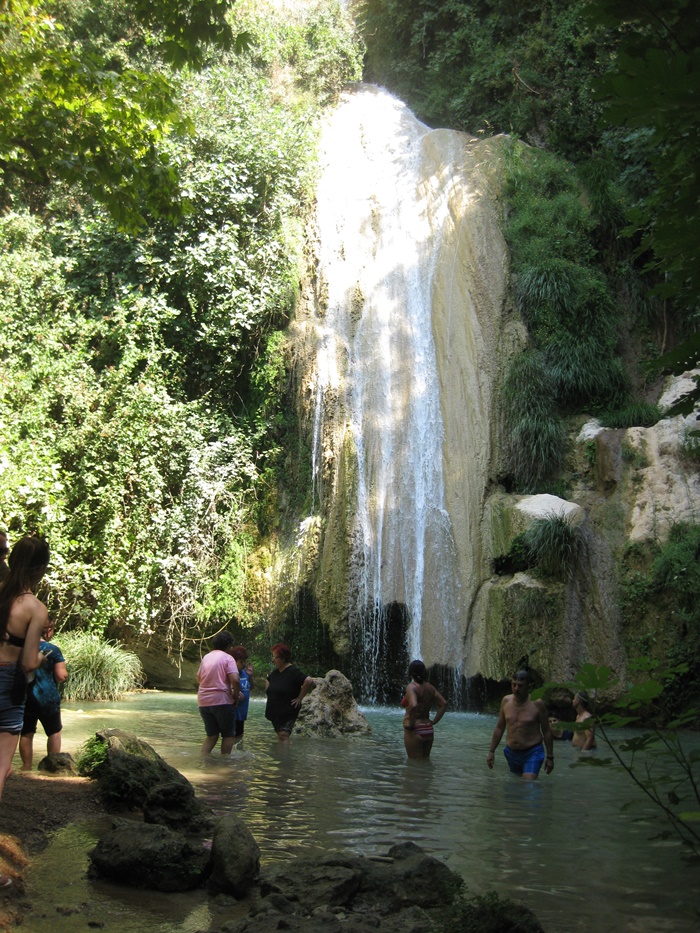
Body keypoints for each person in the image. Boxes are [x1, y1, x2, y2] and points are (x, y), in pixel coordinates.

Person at [0, 536, 50, 887]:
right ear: (40, 569)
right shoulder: (34, 608)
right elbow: (29, 661)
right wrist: (44, 658)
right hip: (8, 687)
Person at [486, 670, 554, 780]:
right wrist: (491, 751)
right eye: (514, 685)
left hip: (533, 751)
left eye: (520, 686)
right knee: (516, 785)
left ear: (529, 686)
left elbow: (546, 731)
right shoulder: (506, 701)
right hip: (511, 752)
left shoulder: (537, 704)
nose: (516, 689)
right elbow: (499, 727)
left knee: (528, 782)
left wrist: (550, 757)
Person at [19, 619, 68, 770]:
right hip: (48, 698)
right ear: (48, 630)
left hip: (26, 697)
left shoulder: (22, 648)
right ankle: (52, 767)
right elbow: (61, 676)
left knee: (26, 733)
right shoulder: (53, 650)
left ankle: (26, 768)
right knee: (54, 732)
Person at [197, 631, 240, 756]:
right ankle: (224, 764)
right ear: (228, 645)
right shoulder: (228, 658)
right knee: (228, 735)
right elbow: (235, 680)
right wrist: (236, 696)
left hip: (203, 702)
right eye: (231, 646)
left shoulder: (206, 657)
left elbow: (199, 678)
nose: (231, 648)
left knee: (211, 735)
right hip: (221, 701)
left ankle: (203, 761)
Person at [264, 643, 314, 742]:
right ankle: (280, 755)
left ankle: (284, 757)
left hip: (288, 710)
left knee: (283, 735)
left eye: (275, 657)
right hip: (276, 711)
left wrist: (299, 698)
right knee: (280, 735)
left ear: (283, 658)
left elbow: (308, 681)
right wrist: (269, 692)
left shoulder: (293, 672)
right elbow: (268, 680)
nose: (273, 660)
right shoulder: (276, 672)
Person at [402, 660, 447, 759]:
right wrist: (434, 721)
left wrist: (411, 723)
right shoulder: (429, 687)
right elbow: (444, 704)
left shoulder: (411, 687)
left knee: (414, 766)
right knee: (425, 762)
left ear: (411, 673)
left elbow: (414, 705)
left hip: (415, 729)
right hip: (428, 728)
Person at [231, 645, 254, 742]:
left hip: (242, 713)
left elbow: (251, 687)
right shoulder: (231, 673)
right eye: (241, 662)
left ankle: (237, 756)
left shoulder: (244, 673)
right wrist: (233, 690)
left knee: (239, 738)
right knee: (231, 738)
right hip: (233, 713)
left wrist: (251, 676)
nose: (243, 664)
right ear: (234, 662)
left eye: (244, 661)